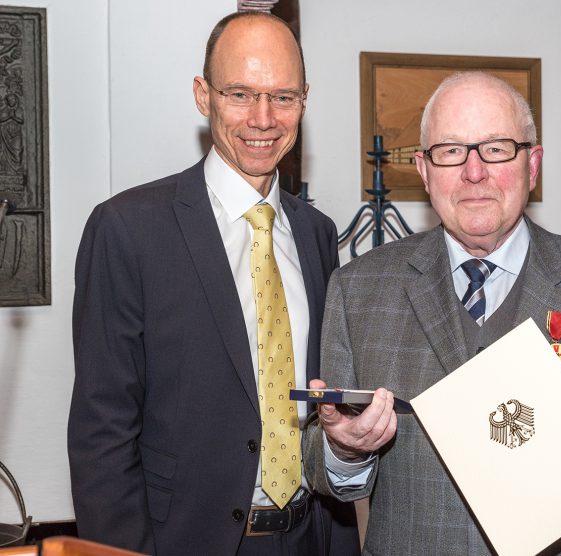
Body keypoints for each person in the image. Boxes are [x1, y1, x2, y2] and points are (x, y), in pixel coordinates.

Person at [301, 72, 561, 555]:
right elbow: (321, 465)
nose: (473, 171)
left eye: (496, 148)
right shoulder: (358, 290)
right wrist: (343, 448)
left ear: (533, 165)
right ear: (424, 170)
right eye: (450, 151)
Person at [68, 12, 358, 555]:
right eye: (241, 94)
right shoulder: (127, 230)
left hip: (311, 537)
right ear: (204, 95)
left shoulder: (318, 233)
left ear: (305, 100)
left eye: (284, 97)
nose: (263, 118)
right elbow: (101, 432)